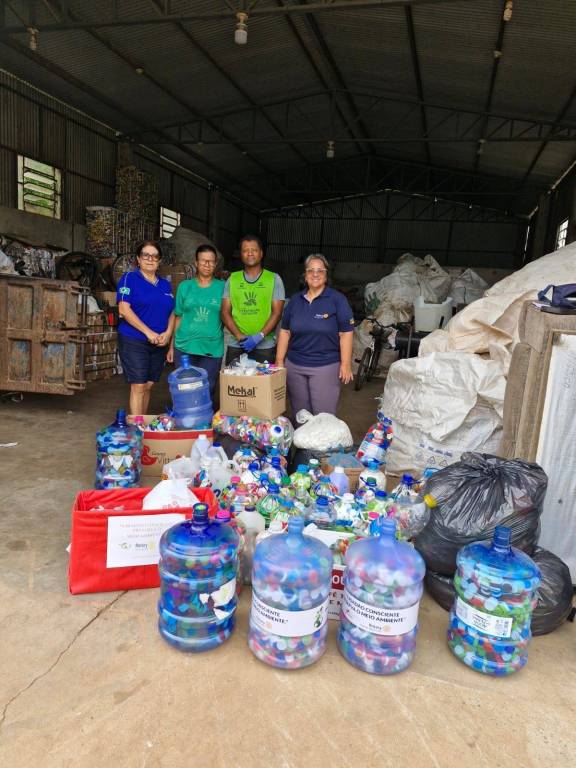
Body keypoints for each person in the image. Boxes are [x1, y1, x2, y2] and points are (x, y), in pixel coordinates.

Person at [275, 253, 354, 416]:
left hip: (325, 366)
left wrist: (346, 364)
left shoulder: (337, 300)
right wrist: (280, 361)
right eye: (311, 270)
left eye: (320, 270)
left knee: (323, 416)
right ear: (305, 275)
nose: (315, 274)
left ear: (326, 275)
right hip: (295, 365)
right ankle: (301, 434)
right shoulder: (295, 300)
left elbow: (346, 333)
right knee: (300, 414)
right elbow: (285, 331)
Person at [117, 240, 175, 415]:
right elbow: (123, 309)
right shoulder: (129, 279)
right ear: (138, 258)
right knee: (139, 385)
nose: (150, 259)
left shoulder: (165, 285)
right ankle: (137, 426)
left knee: (148, 385)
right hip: (134, 339)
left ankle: (140, 420)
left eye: (155, 256)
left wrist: (168, 333)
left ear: (159, 261)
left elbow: (173, 312)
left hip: (159, 342)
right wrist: (148, 332)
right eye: (146, 255)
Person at [167, 244, 224, 398]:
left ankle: (204, 415)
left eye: (211, 261)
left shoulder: (223, 288)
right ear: (196, 263)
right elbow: (178, 316)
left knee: (207, 390)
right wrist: (172, 346)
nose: (207, 264)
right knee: (184, 390)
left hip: (211, 348)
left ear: (215, 264)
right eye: (203, 260)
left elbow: (228, 316)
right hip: (184, 347)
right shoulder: (185, 287)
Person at [221, 235, 285, 365]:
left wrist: (259, 336)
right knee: (234, 378)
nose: (250, 253)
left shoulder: (273, 279)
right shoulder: (233, 279)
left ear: (261, 253)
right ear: (241, 254)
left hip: (265, 345)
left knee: (263, 378)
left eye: (254, 250)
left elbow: (277, 313)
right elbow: (224, 312)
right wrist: (239, 336)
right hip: (237, 343)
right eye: (245, 250)